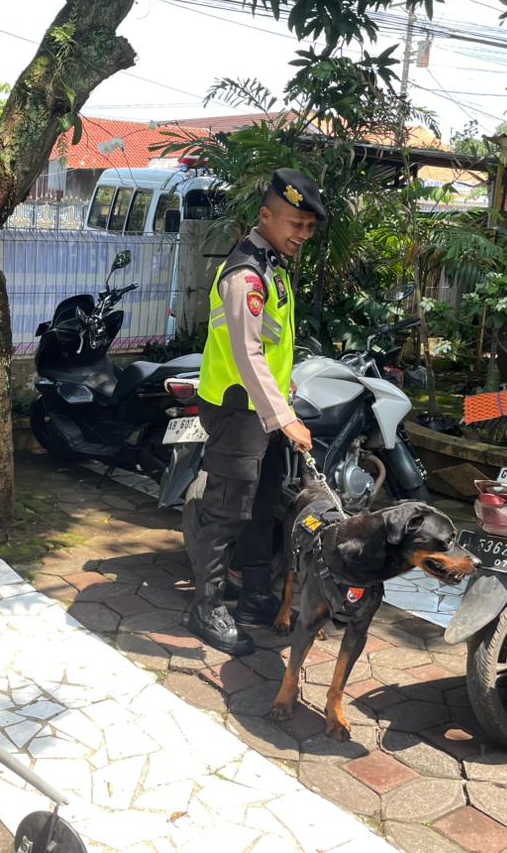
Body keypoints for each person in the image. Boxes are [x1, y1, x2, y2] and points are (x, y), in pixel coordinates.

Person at [186, 169, 325, 655]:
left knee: (264, 506)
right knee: (226, 512)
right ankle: (205, 607)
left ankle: (255, 599)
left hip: (260, 410)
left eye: (309, 227)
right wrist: (284, 416)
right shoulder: (245, 273)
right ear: (266, 216)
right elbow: (246, 352)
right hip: (237, 409)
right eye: (294, 224)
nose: (302, 234)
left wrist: (284, 397)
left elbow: (273, 345)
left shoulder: (273, 267)